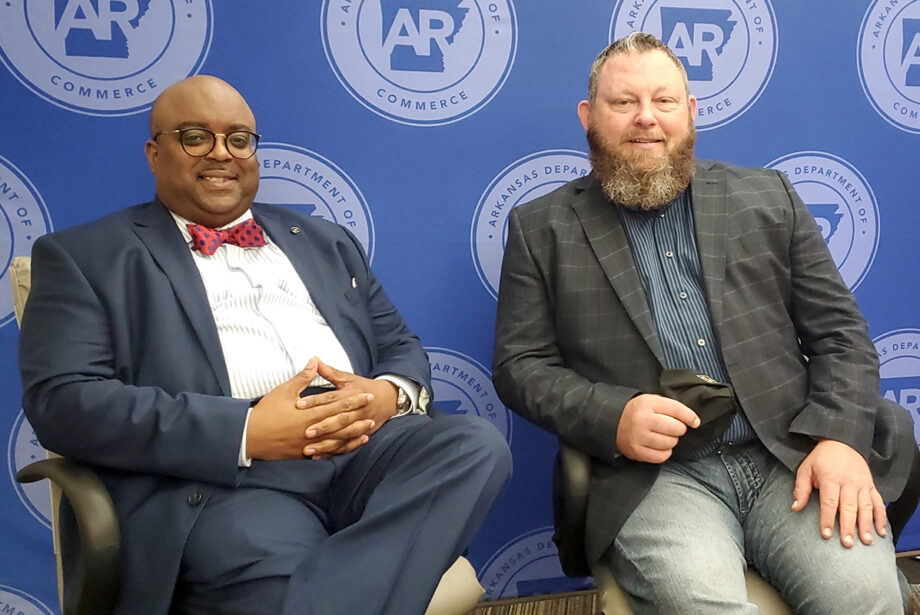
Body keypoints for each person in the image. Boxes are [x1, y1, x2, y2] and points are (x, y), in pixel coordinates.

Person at [19, 75, 511, 615]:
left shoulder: (326, 241)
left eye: (239, 139)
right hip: (229, 482)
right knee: (279, 588)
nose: (221, 153)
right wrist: (248, 430)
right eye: (195, 137)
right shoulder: (84, 256)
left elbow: (398, 342)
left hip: (367, 453)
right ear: (154, 154)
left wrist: (388, 394)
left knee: (474, 445)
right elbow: (64, 403)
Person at [492, 32, 916, 614]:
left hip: (790, 456)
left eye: (664, 101)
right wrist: (613, 416)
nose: (646, 118)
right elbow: (520, 366)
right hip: (655, 479)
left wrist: (839, 439)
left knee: (866, 599)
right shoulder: (539, 228)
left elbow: (841, 334)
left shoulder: (768, 196)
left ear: (689, 112)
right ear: (589, 117)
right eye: (624, 102)